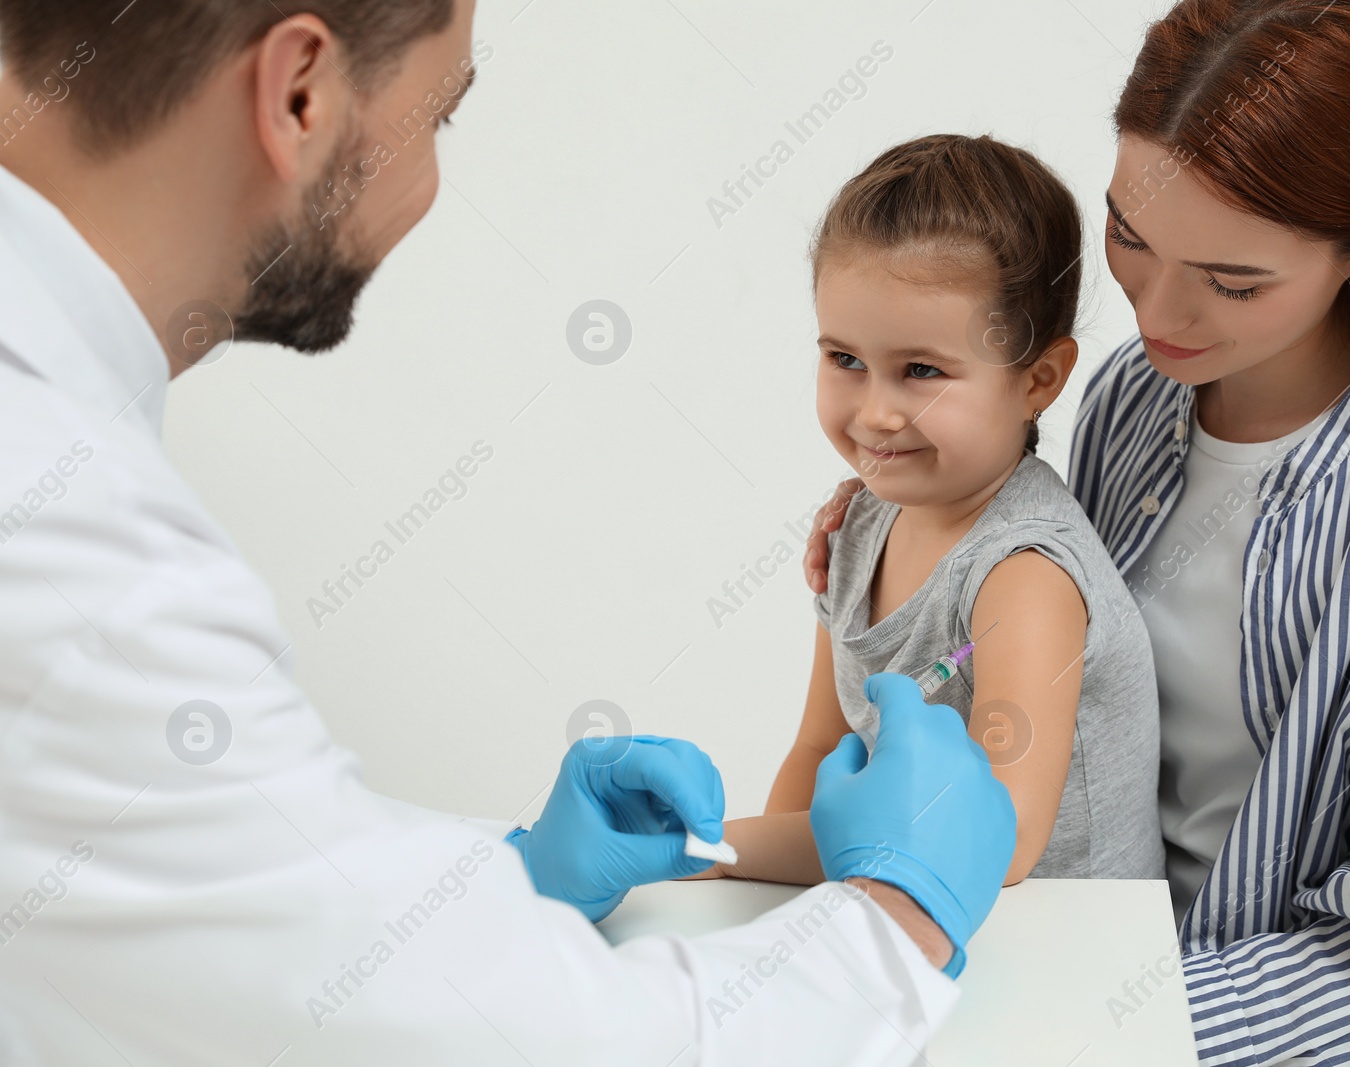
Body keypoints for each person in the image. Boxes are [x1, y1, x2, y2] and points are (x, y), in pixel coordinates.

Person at [0, 2, 1018, 1063]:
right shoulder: (73, 553)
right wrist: (893, 925)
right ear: (301, 91)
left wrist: (504, 873)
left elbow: (195, 874)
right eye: (439, 115)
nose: (431, 184)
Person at [804, 1, 1350, 1064]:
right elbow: (1058, 675)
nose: (1156, 312)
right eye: (1130, 236)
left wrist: (1086, 1021)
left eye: (1232, 280)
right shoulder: (1138, 395)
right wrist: (915, 534)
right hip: (1046, 950)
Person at [690, 134, 1164, 888]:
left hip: (1056, 949)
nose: (875, 412)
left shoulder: (1025, 578)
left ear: (1039, 379)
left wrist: (714, 847)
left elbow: (992, 840)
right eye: (845, 359)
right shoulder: (859, 530)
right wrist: (743, 896)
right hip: (905, 893)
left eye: (921, 371)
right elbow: (819, 748)